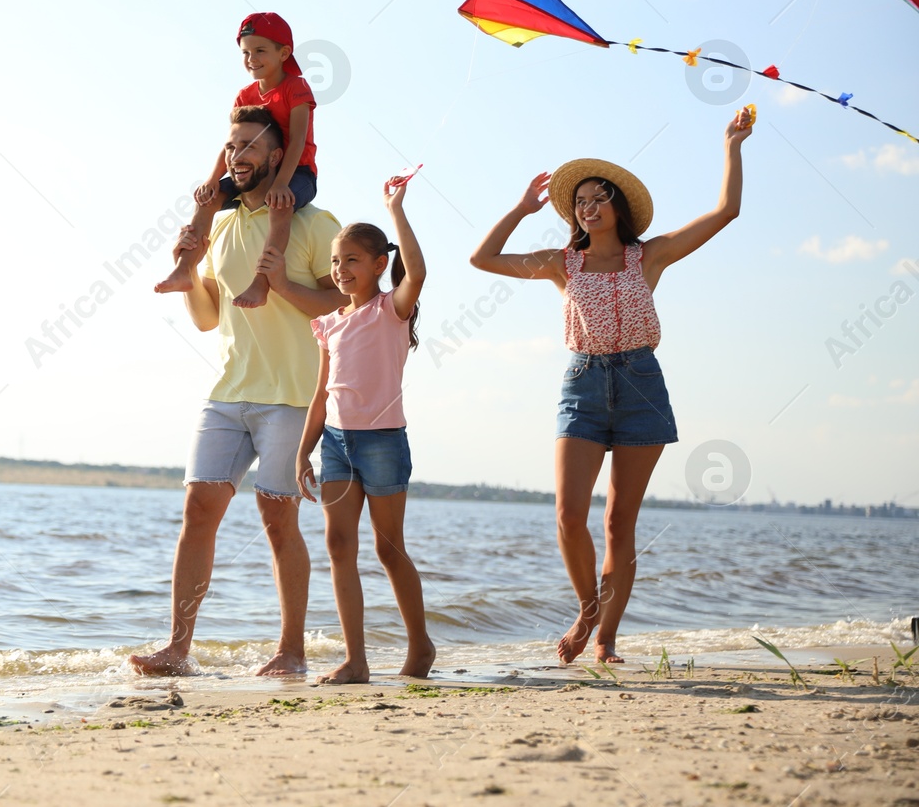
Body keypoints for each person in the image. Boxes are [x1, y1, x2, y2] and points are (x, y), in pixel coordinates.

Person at [470, 109, 753, 663]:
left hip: (641, 383)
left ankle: (605, 641)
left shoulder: (647, 255)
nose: (588, 206)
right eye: (580, 201)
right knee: (569, 517)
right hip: (582, 382)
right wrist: (521, 209)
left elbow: (727, 211)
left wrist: (732, 145)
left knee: (620, 522)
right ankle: (586, 606)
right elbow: (482, 259)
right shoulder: (562, 264)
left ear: (618, 208)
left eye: (598, 198)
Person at [131, 106, 344, 677]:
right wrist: (191, 275)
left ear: (279, 156)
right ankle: (177, 648)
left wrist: (282, 284)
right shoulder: (221, 226)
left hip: (292, 396)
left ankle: (291, 649)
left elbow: (341, 302)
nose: (237, 156)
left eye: (249, 146)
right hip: (228, 390)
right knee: (199, 509)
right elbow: (207, 318)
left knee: (278, 519)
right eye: (231, 147)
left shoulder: (315, 223)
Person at [297, 174, 436, 682]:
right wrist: (303, 451)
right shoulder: (329, 324)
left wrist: (395, 208)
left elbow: (417, 272)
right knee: (338, 546)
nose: (340, 270)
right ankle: (355, 659)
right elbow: (320, 396)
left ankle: (420, 645)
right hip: (334, 443)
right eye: (335, 261)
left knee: (387, 546)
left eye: (351, 260)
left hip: (382, 443)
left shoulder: (390, 311)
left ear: (379, 264)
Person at [155, 12, 318, 309]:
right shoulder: (245, 95)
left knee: (280, 204)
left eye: (259, 51)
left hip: (297, 172)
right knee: (209, 198)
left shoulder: (296, 88)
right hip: (255, 172)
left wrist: (282, 183)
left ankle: (261, 282)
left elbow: (296, 141)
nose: (251, 59)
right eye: (245, 52)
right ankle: (184, 269)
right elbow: (232, 143)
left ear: (283, 53)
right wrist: (211, 179)